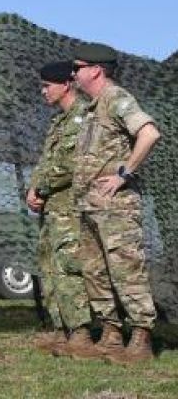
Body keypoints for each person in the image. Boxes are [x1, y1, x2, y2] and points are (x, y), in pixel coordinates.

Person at [61, 43, 161, 363]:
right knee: (95, 271)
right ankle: (111, 335)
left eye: (77, 68)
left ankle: (141, 339)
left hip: (116, 207)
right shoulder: (92, 108)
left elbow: (149, 133)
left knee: (126, 270)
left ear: (96, 70)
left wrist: (123, 174)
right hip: (90, 207)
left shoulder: (117, 98)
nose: (73, 75)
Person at [24, 61, 92, 355]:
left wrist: (41, 188)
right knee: (50, 268)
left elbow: (69, 165)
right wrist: (32, 190)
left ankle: (82, 333)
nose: (43, 91)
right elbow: (45, 162)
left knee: (69, 269)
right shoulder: (58, 122)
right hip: (52, 208)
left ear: (66, 84)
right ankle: (61, 329)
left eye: (47, 86)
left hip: (71, 208)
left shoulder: (83, 117)